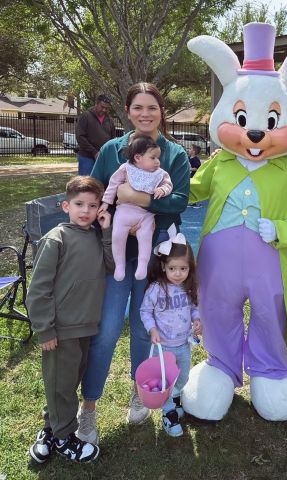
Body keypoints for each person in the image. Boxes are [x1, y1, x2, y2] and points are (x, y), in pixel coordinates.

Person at [78, 82, 190, 444]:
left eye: (152, 108)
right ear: (127, 111)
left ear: (162, 111)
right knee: (108, 329)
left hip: (154, 256)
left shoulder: (174, 155)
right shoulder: (112, 149)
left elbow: (179, 202)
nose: (145, 114)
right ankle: (88, 407)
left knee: (144, 329)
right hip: (115, 257)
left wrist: (137, 197)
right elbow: (95, 194)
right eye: (138, 107)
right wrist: (109, 209)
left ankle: (138, 389)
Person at [26, 176, 113, 464]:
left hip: (86, 326)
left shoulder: (96, 236)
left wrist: (107, 232)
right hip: (60, 330)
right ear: (66, 206)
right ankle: (65, 438)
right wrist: (45, 329)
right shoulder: (56, 239)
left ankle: (50, 430)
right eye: (79, 204)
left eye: (92, 205)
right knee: (60, 385)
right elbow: (39, 289)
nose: (85, 211)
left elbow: (112, 266)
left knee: (66, 383)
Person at [140, 230, 202, 437]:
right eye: (173, 268)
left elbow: (194, 307)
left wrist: (197, 319)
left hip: (183, 344)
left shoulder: (188, 287)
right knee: (165, 380)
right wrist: (152, 328)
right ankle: (168, 413)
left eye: (183, 268)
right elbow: (145, 311)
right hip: (163, 346)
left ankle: (175, 399)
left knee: (182, 377)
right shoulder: (157, 289)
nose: (178, 273)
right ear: (163, 267)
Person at [100, 134, 173, 281]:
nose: (158, 162)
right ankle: (119, 265)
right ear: (138, 158)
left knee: (145, 238)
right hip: (124, 212)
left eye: (158, 158)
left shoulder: (160, 173)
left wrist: (163, 190)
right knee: (117, 236)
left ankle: (142, 265)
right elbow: (113, 184)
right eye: (153, 158)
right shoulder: (126, 169)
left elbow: (168, 184)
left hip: (145, 215)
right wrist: (106, 202)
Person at [76, 94, 116, 175]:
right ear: (96, 104)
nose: (104, 110)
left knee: (99, 185)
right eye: (102, 107)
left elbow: (112, 139)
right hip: (86, 157)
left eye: (107, 108)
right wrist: (94, 152)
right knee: (85, 184)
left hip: (103, 158)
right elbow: (80, 137)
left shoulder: (110, 120)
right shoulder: (86, 116)